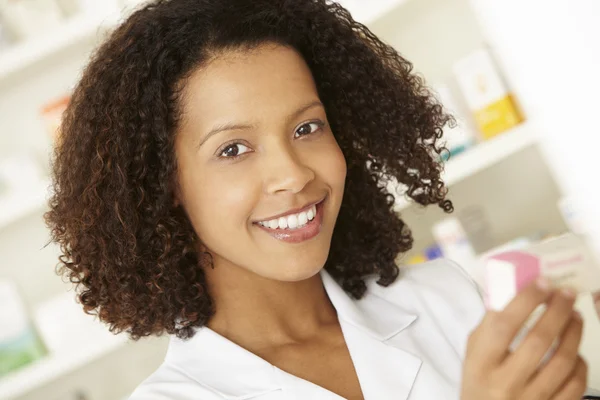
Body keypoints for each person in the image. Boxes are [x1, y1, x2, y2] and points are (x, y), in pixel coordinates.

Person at [44, 0, 600, 399]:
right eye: (234, 148)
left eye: (308, 128)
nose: (292, 173)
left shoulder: (448, 301)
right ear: (160, 184)